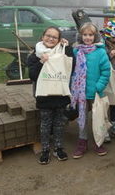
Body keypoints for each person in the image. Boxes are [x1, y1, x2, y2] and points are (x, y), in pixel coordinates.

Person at [27, 27, 72, 164]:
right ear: (42, 36)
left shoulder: (62, 51)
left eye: (55, 37)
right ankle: (45, 149)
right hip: (44, 96)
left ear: (59, 40)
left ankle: (58, 148)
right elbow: (32, 75)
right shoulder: (35, 55)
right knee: (45, 124)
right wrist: (41, 62)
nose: (51, 39)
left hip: (60, 95)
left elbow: (70, 64)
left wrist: (67, 47)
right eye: (48, 35)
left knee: (59, 123)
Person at [71, 22, 111, 158]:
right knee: (82, 117)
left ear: (95, 36)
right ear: (80, 36)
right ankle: (82, 142)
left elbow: (106, 71)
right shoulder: (76, 51)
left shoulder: (100, 52)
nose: (87, 37)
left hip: (95, 92)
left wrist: (98, 87)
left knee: (97, 118)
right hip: (80, 93)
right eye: (85, 35)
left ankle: (98, 141)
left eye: (90, 35)